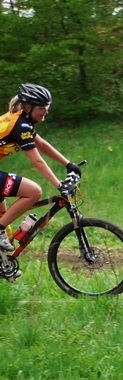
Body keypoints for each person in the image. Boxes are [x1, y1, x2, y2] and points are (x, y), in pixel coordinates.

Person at [0, 84, 82, 254]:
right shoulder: (20, 126)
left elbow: (42, 144)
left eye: (47, 107)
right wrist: (59, 185)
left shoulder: (22, 120)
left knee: (4, 219)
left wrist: (68, 164)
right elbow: (37, 161)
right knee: (33, 191)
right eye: (42, 108)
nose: (46, 112)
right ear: (28, 107)